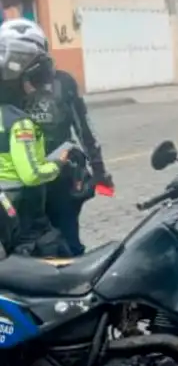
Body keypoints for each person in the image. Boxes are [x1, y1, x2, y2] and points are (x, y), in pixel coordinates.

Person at [0, 18, 110, 256]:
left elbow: (84, 127)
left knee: (66, 240)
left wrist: (99, 169)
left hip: (61, 178)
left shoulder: (63, 82)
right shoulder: (7, 88)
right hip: (23, 189)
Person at [0, 36, 72, 257]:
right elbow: (31, 174)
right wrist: (58, 164)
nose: (34, 87)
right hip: (24, 211)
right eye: (31, 80)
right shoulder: (20, 123)